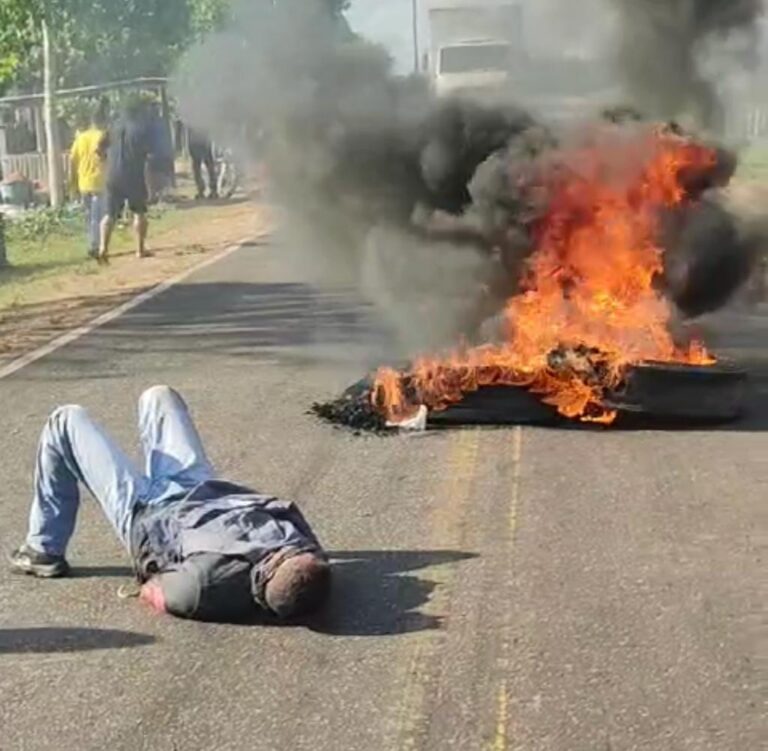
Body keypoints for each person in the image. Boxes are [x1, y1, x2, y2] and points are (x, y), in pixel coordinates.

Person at [9, 386, 331, 622]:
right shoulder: (301, 549)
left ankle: (43, 548)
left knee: (65, 420)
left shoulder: (204, 585)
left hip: (144, 512)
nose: (287, 548)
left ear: (267, 574)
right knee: (160, 396)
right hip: (200, 488)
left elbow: (155, 593)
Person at [99, 99, 154, 261]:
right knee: (139, 212)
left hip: (112, 175)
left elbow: (99, 148)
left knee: (109, 214)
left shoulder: (113, 128)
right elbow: (149, 155)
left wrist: (108, 162)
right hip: (133, 175)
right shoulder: (141, 130)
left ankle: (103, 248)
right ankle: (140, 249)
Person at [69, 112, 108, 258]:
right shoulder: (103, 136)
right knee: (100, 217)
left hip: (83, 183)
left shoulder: (80, 138)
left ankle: (92, 243)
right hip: (99, 182)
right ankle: (95, 246)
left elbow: (72, 161)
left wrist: (72, 183)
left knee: (89, 217)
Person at [188, 129, 218, 200]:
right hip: (200, 133)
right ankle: (211, 189)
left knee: (199, 163)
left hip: (197, 134)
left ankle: (203, 189)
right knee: (205, 162)